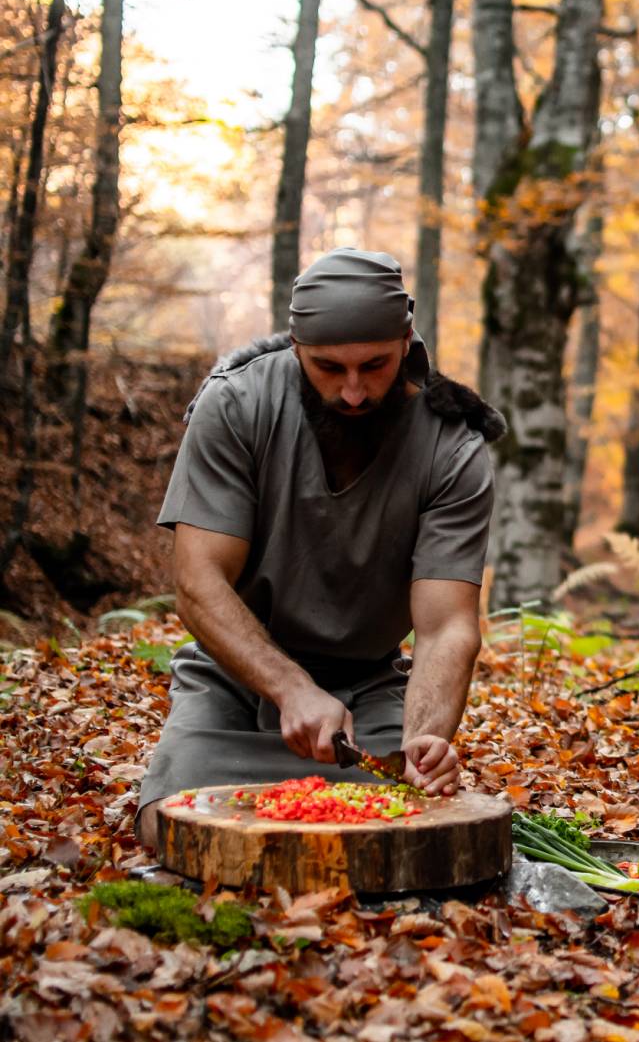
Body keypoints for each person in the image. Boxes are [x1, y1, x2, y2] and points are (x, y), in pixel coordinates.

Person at [135, 247, 505, 847]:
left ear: (407, 339)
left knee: (401, 832)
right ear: (294, 345)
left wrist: (426, 740)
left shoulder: (452, 446)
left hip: (369, 691)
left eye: (375, 366)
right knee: (176, 826)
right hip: (235, 679)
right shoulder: (236, 406)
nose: (354, 392)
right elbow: (199, 584)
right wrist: (290, 688)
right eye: (329, 368)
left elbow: (446, 627)